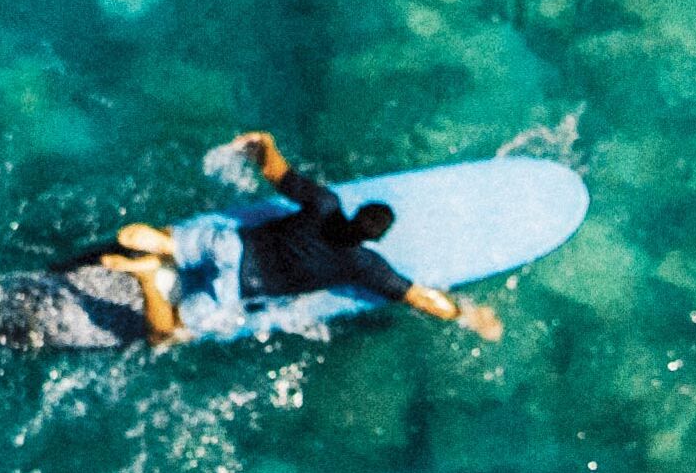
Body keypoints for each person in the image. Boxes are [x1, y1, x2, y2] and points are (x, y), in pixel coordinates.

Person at [95, 134, 503, 346]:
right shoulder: (362, 265)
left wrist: (264, 144)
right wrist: (466, 315)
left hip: (229, 245)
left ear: (357, 212)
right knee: (165, 334)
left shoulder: (325, 204)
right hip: (237, 287)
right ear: (373, 238)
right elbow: (418, 296)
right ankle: (148, 278)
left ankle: (156, 244)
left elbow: (277, 173)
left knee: (176, 239)